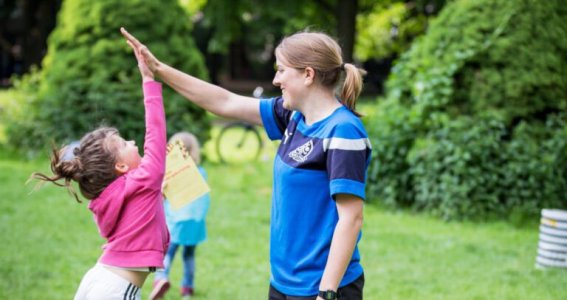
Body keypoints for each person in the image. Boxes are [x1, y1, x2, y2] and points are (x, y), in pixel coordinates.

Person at [121, 28, 371, 300]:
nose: (276, 80)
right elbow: (224, 101)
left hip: (322, 288)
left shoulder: (343, 131)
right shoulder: (293, 117)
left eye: (282, 70)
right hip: (284, 282)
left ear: (308, 74)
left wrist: (327, 292)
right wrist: (158, 69)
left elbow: (351, 218)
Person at [30, 29, 169, 300]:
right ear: (121, 167)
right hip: (117, 289)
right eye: (124, 143)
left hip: (99, 279)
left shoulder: (114, 194)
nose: (132, 141)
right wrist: (148, 78)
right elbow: (155, 131)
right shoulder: (143, 178)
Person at [150, 132, 211, 300]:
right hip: (196, 223)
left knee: (168, 253)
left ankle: (161, 279)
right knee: (189, 255)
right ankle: (187, 288)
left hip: (176, 222)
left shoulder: (170, 175)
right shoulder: (201, 173)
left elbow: (163, 199)